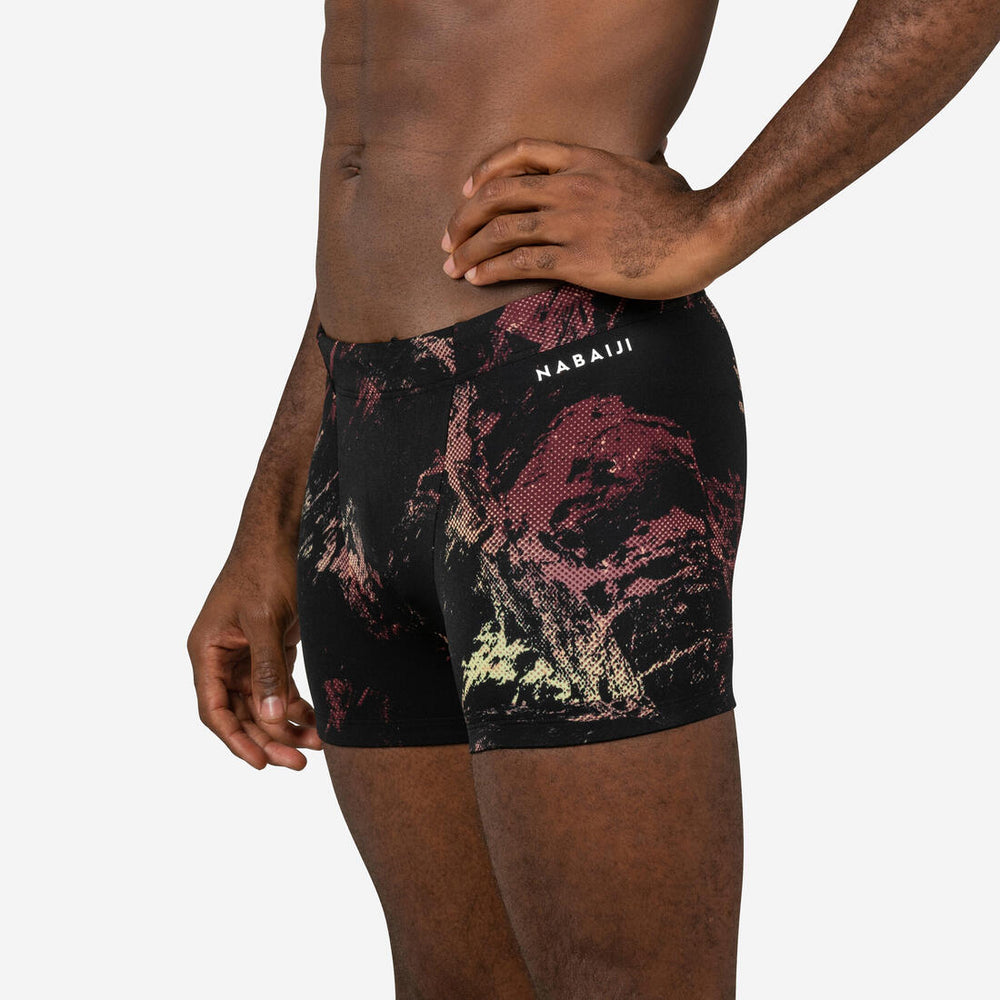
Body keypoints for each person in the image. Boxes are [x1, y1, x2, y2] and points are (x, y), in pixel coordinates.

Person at [187, 2, 999, 996]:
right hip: (358, 430)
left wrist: (717, 220)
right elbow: (394, 158)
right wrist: (270, 514)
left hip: (568, 398)